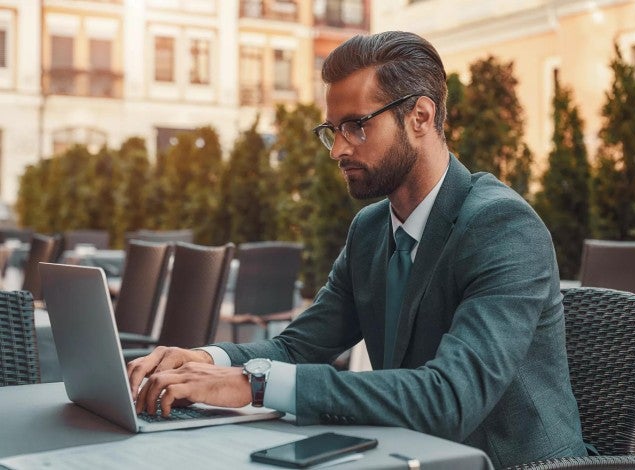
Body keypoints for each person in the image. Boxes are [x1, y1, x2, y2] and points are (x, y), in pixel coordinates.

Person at [128, 31, 587, 468]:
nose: (338, 150)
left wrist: (257, 384)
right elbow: (300, 346)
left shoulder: (501, 226)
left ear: (421, 118)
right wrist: (207, 361)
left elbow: (448, 398)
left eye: (356, 127)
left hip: (515, 464)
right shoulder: (369, 230)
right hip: (405, 454)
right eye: (333, 130)